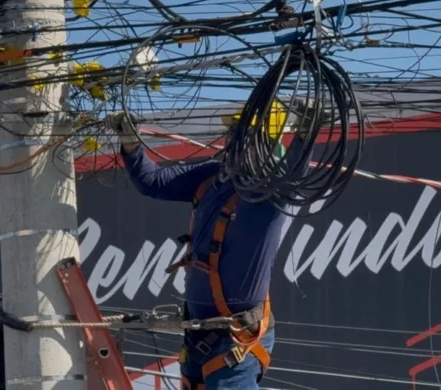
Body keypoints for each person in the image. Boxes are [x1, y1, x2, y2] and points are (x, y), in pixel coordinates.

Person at [104, 105, 311, 390]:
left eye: (244, 136)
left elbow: (293, 175)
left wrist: (305, 134)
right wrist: (130, 143)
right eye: (232, 134)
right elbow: (153, 182)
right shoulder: (212, 178)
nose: (232, 142)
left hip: (236, 340)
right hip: (200, 335)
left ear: (267, 146)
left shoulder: (269, 196)